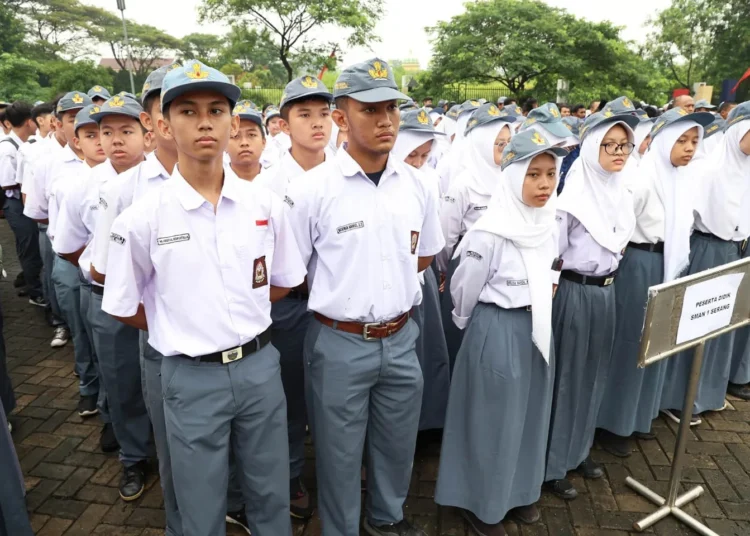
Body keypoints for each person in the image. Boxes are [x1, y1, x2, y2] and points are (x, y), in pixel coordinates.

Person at [102, 60, 304, 536]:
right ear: (161, 125)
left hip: (258, 367)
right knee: (199, 506)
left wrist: (238, 316)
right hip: (190, 375)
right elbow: (123, 303)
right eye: (188, 111)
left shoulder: (265, 205)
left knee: (270, 494)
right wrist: (182, 324)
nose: (204, 121)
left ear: (235, 124)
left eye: (217, 110)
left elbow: (283, 280)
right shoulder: (143, 217)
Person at [285, 58, 443, 536]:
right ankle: (341, 529)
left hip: (400, 335)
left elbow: (422, 257)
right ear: (340, 117)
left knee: (397, 443)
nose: (386, 120)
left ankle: (386, 518)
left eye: (392, 107)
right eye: (370, 109)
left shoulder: (417, 184)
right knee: (337, 451)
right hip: (339, 341)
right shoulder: (310, 190)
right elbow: (292, 272)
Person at [435, 130, 566, 536]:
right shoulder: (488, 232)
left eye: (550, 174)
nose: (544, 184)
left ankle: (519, 490)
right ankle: (482, 504)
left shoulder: (548, 222)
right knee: (492, 419)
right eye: (533, 175)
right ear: (512, 179)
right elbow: (464, 287)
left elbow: (553, 270)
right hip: (498, 327)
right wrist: (469, 326)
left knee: (528, 414)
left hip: (537, 327)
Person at [596, 108, 713, 457]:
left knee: (657, 342)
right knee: (632, 342)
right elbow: (619, 228)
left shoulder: (683, 179)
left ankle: (640, 416)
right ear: (662, 143)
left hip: (671, 263)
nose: (689, 148)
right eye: (681, 140)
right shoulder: (641, 179)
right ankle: (615, 422)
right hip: (641, 264)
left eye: (694, 141)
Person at [544, 111, 640, 500]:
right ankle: (552, 465)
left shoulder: (621, 192)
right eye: (610, 145)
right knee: (567, 380)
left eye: (625, 146)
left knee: (594, 375)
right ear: (590, 147)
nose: (619, 153)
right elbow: (553, 255)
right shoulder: (571, 200)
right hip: (575, 292)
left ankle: (578, 451)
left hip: (606, 292)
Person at [256, 74, 334, 521]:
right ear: (283, 125)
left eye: (323, 113)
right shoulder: (268, 183)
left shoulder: (348, 170)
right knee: (288, 396)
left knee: (335, 397)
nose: (316, 123)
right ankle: (289, 474)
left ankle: (341, 468)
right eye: (303, 114)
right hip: (290, 303)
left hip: (336, 307)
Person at [660, 102, 750, 417]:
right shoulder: (709, 169)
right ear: (739, 131)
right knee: (694, 325)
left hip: (734, 251)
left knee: (720, 326)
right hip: (706, 250)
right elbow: (688, 216)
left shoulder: (746, 169)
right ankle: (677, 399)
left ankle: (708, 394)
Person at [439, 103, 516, 370]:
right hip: (466, 262)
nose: (505, 149)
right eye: (498, 143)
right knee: (459, 331)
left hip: (501, 265)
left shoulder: (511, 178)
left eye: (508, 143)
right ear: (483, 144)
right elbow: (446, 235)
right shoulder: (464, 184)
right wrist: (443, 270)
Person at [392, 109, 451, 432]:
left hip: (421, 273)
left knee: (426, 348)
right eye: (411, 154)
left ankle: (425, 420)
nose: (416, 162)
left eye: (424, 156)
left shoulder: (427, 180)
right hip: (391, 280)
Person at [49, 104, 106, 422]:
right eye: (90, 134)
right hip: (83, 274)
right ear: (77, 141)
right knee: (85, 336)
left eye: (104, 133)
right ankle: (89, 388)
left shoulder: (137, 178)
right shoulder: (69, 183)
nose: (100, 141)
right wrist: (93, 263)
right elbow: (65, 244)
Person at [20, 97, 71, 348]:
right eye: (71, 119)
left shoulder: (96, 152)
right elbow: (30, 200)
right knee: (54, 277)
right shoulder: (38, 154)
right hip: (49, 226)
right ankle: (60, 321)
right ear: (55, 122)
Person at [0, 101, 45, 307]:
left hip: (23, 200)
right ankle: (36, 292)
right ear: (29, 122)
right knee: (29, 247)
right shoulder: (7, 148)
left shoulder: (26, 143)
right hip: (15, 203)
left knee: (29, 246)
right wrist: (30, 181)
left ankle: (30, 281)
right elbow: (6, 182)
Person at [227, 101, 265, 182]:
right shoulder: (214, 185)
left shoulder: (281, 181)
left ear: (263, 142)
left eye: (251, 135)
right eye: (235, 136)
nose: (244, 143)